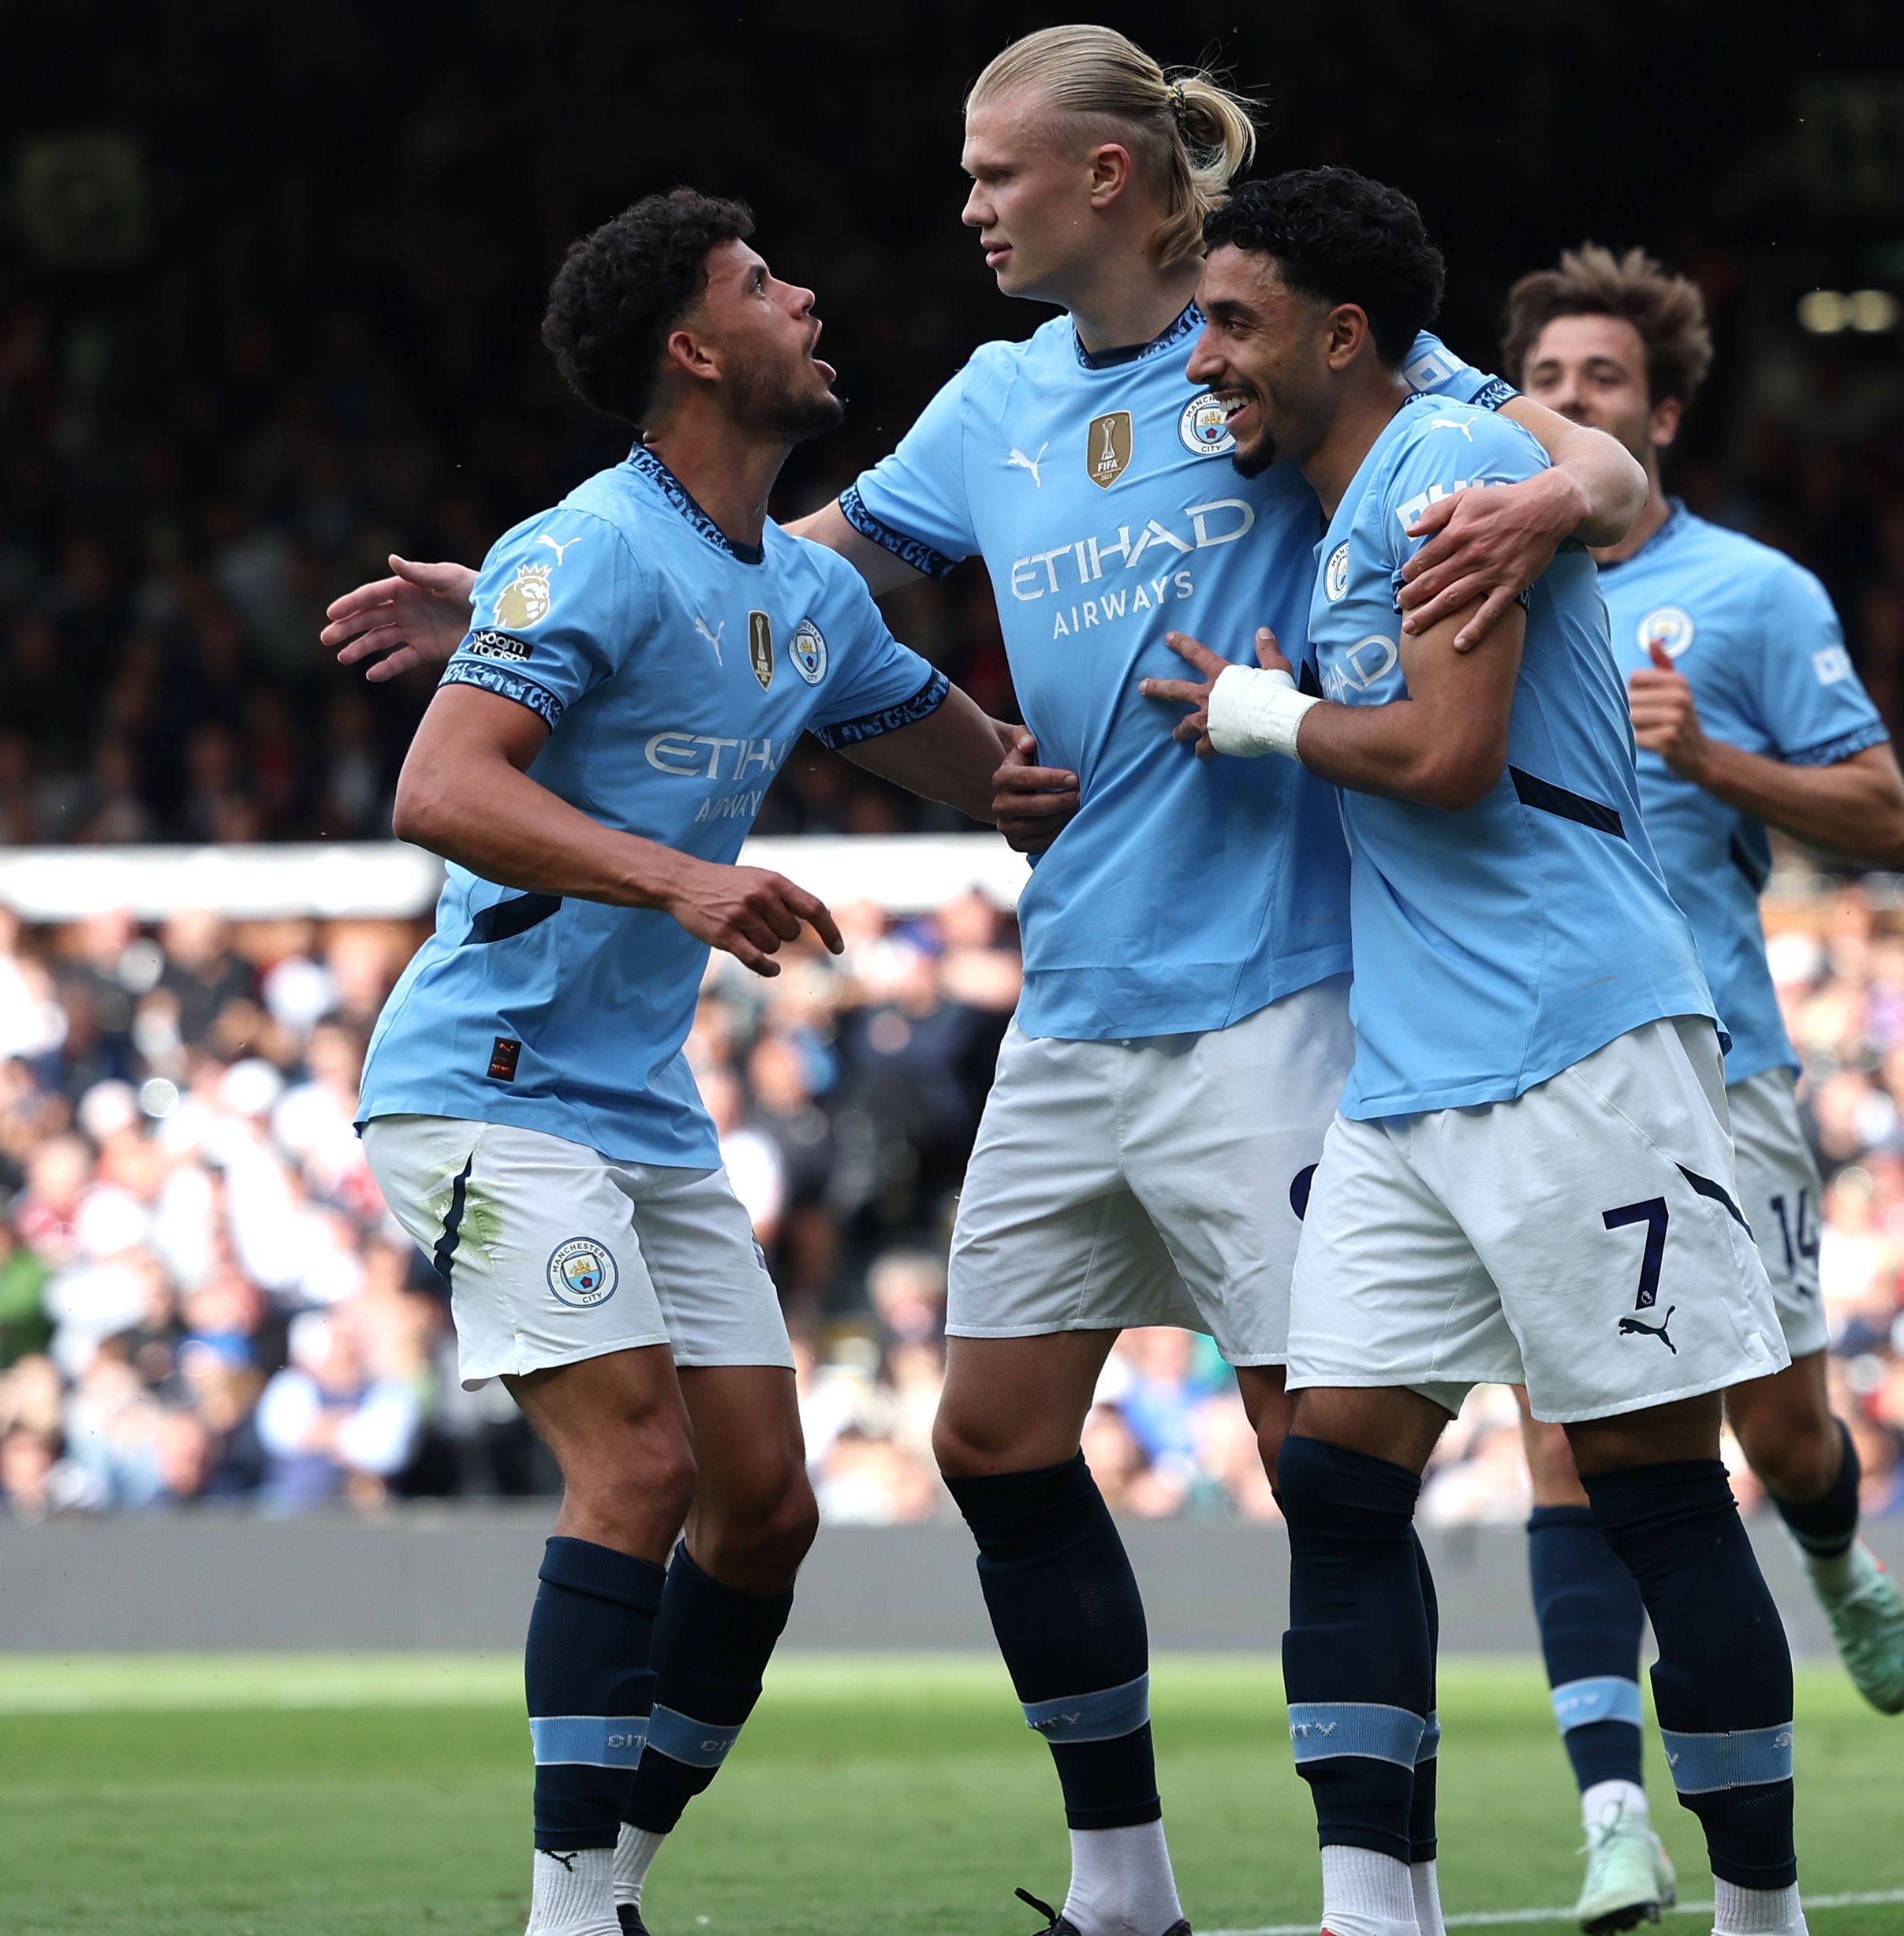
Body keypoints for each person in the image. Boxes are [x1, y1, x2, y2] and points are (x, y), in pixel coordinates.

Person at [319, 33, 1643, 1934]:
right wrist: (529, 605)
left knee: (1321, 1456)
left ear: (1107, 176)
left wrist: (1555, 499)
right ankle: (1120, 1888)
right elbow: (773, 567)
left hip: (1278, 986)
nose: (964, 209)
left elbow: (1577, 456)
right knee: (992, 1439)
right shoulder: (993, 399)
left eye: (993, 173)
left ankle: (1379, 1900)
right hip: (1072, 997)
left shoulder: (1265, 341)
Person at [1144, 168, 1811, 1936]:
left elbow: (1449, 761)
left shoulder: (1443, 467)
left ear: (1340, 336)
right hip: (1414, 1078)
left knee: (1657, 1493)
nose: (1202, 358)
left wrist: (1265, 712)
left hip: (1575, 1050)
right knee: (1337, 1478)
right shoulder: (1376, 485)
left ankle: (1762, 1917)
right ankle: (1375, 1910)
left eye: (1231, 323)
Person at [349, 190, 1019, 1936]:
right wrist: (683, 878)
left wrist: (1249, 724)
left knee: (766, 1512)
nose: (807, 298)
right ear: (693, 349)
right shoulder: (588, 544)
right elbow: (440, 789)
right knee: (639, 1471)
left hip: (637, 1105)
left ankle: (618, 1881)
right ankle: (566, 1913)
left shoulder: (806, 593)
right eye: (761, 282)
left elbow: (1002, 779)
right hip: (484, 1083)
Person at [1488, 244, 1904, 1928]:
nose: (1571, 402)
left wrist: (1708, 756)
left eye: (1602, 381)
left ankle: (1832, 1547)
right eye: (1545, 379)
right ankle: (1614, 1814)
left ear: (1661, 414)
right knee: (1564, 1446)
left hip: (1724, 1067)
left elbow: (1885, 816)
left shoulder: (1750, 594)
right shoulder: (1460, 572)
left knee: (1781, 1432)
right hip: (1537, 1076)